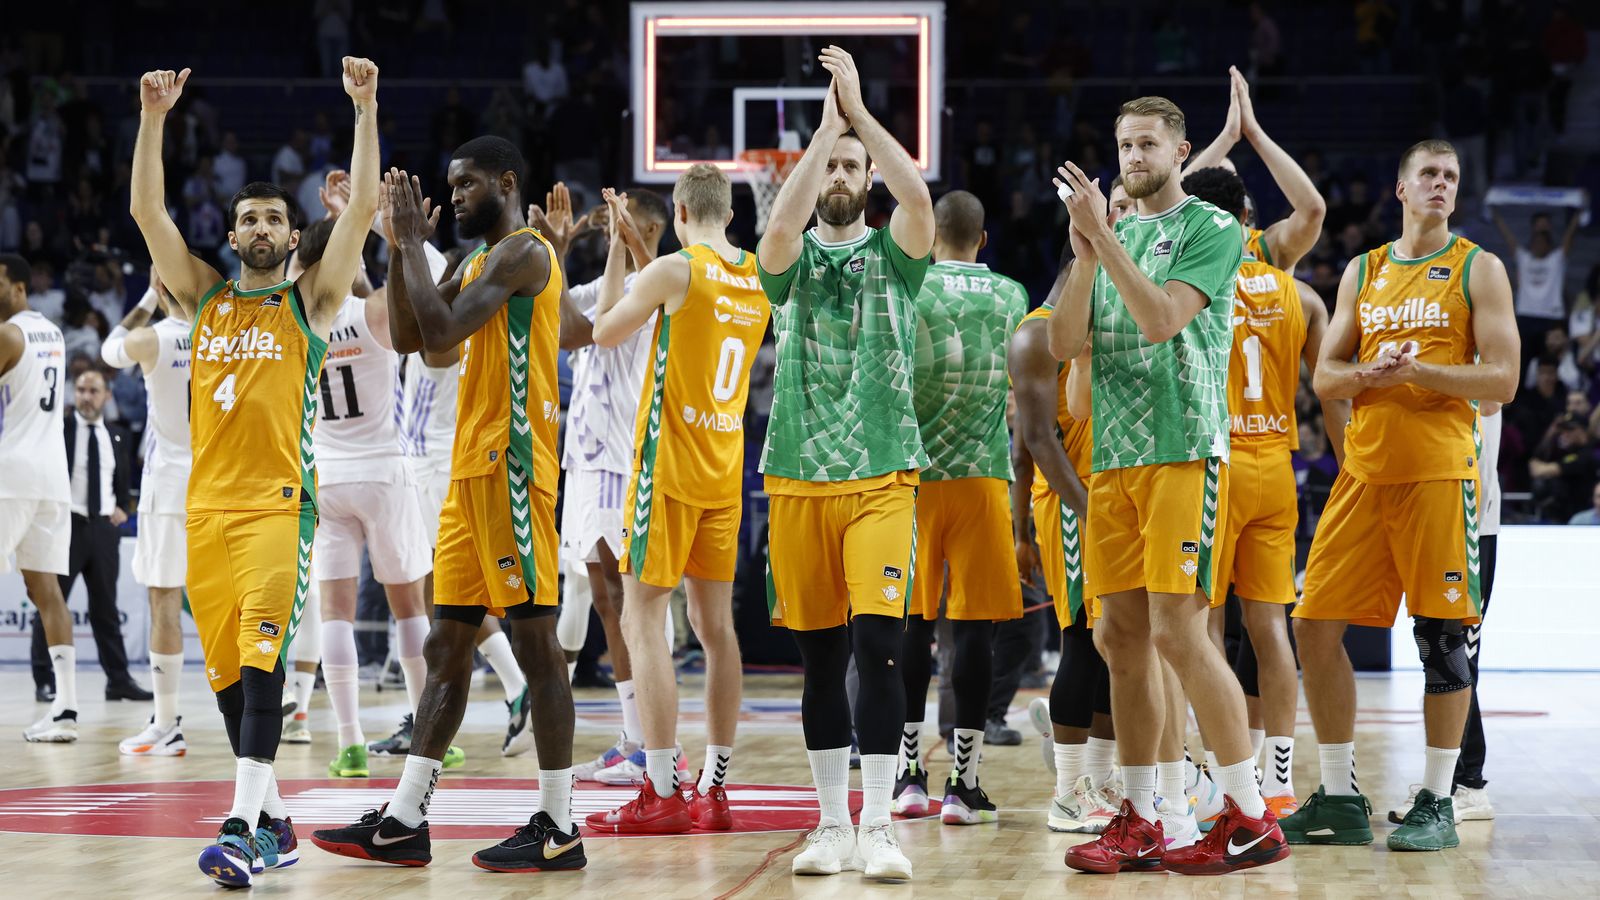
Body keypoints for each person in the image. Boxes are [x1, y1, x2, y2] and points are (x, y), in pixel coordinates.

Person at [129, 59, 381, 886]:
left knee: (266, 665)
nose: (266, 228)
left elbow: (365, 211)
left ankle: (240, 827)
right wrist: (155, 117)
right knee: (232, 687)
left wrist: (366, 109)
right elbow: (145, 210)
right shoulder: (203, 297)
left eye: (278, 218)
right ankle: (276, 822)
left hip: (279, 509)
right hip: (206, 512)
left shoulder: (308, 303)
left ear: (292, 234)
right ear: (233, 237)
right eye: (252, 220)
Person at [310, 138, 584, 872]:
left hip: (515, 466)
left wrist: (404, 242)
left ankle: (559, 826)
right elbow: (414, 341)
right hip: (470, 469)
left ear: (506, 182)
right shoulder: (474, 261)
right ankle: (404, 819)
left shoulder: (524, 253)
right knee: (446, 644)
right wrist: (405, 252)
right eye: (449, 185)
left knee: (534, 640)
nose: (455, 194)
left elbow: (441, 329)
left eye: (467, 184)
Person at [1047, 95, 1287, 876]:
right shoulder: (1114, 234)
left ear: (1182, 153)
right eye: (1123, 143)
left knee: (1179, 633)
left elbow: (1158, 321)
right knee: (1119, 639)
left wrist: (1106, 241)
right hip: (1112, 460)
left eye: (1147, 143)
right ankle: (1144, 814)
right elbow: (1061, 342)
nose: (1133, 156)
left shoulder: (1211, 230)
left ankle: (1250, 813)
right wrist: (1086, 253)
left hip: (1183, 450)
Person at [1284, 139, 1519, 853]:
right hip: (1363, 474)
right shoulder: (1365, 269)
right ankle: (1338, 793)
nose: (1441, 185)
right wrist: (1372, 376)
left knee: (1442, 642)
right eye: (1430, 176)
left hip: (1439, 476)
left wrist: (1422, 372)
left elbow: (1502, 381)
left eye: (1451, 176)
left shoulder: (1480, 268)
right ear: (1402, 189)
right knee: (1313, 627)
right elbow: (1325, 378)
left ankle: (1439, 800)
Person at [756, 46, 934, 882]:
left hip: (882, 474)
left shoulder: (899, 251)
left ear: (868, 175)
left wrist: (861, 119)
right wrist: (824, 130)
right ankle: (830, 826)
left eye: (851, 165)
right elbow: (780, 230)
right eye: (829, 164)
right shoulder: (786, 259)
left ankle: (879, 828)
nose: (839, 172)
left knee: (881, 649)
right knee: (821, 660)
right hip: (795, 473)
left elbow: (919, 196)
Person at [584, 166, 770, 833]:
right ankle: (714, 788)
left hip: (666, 471)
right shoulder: (756, 276)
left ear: (683, 211)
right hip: (725, 472)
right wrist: (642, 254)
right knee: (717, 631)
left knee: (642, 619)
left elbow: (605, 329)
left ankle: (661, 786)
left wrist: (615, 250)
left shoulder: (672, 271)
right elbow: (686, 302)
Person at [1182, 165, 1348, 820]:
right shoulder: (1300, 295)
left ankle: (1221, 775)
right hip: (1277, 466)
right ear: (1250, 218)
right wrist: (1349, 466)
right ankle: (1277, 778)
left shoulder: (1196, 283)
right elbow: (1330, 390)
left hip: (1215, 469)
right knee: (1270, 627)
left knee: (1204, 627)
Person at [283, 194, 453, 779]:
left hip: (324, 475)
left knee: (335, 615)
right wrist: (388, 231)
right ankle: (424, 725)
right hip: (384, 471)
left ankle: (349, 742)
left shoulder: (296, 322)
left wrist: (321, 244)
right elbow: (435, 282)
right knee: (410, 609)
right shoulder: (375, 311)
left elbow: (301, 272)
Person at [529, 182, 680, 785]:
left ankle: (652, 745)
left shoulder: (663, 283)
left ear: (645, 231)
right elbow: (567, 327)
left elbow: (602, 326)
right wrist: (558, 247)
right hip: (587, 463)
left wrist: (620, 242)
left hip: (628, 463)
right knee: (603, 600)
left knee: (634, 604)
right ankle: (632, 739)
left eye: (624, 223)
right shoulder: (598, 286)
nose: (611, 229)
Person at [890, 189, 1025, 827]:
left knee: (912, 627)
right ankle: (963, 783)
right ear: (984, 238)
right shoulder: (1012, 296)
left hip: (915, 476)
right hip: (982, 476)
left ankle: (907, 775)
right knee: (974, 630)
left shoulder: (910, 286)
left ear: (933, 232)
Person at [1011, 236, 1116, 835]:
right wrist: (1081, 512)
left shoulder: (1094, 333)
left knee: (1116, 643)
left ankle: (1096, 780)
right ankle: (1067, 792)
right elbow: (1038, 444)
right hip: (1076, 507)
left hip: (1112, 499)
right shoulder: (1037, 334)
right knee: (1082, 639)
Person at [101, 274, 192, 755]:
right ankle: (260, 720)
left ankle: (166, 721)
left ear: (163, 291)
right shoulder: (227, 336)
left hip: (168, 485)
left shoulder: (153, 336)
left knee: (164, 602)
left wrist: (144, 300)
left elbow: (108, 350)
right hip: (221, 484)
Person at [30, 368, 147, 703]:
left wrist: (123, 506)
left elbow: (121, 483)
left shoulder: (117, 435)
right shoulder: (59, 430)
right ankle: (44, 679)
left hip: (102, 530)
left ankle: (118, 680)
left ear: (106, 395)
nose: (86, 396)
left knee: (106, 609)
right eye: (81, 389)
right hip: (66, 526)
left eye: (93, 390)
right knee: (52, 605)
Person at [1, 254, 79, 742]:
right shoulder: (51, 331)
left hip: (13, 473)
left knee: (46, 591)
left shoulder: (8, 334)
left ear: (21, 287)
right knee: (44, 590)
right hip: (54, 474)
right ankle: (67, 708)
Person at [1185, 67, 1327, 274]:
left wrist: (1254, 133)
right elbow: (1166, 206)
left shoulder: (1269, 246)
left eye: (1229, 179)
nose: (1221, 186)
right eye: (1210, 180)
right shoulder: (1174, 244)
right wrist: (1228, 136)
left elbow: (1312, 210)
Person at [1494, 206, 1581, 369]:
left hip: (1552, 318)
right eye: (1536, 242)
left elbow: (1569, 236)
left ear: (1549, 245)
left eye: (1543, 243)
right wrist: (1496, 215)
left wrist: (1577, 216)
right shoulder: (1523, 258)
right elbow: (1508, 237)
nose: (1539, 245)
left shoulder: (1557, 259)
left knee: (1550, 363)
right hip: (1526, 317)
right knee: (1522, 362)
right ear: (1531, 244)